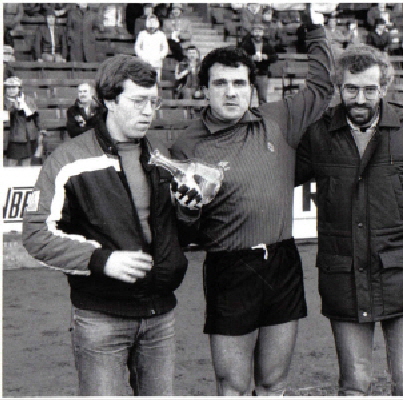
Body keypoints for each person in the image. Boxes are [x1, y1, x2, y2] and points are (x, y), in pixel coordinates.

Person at [169, 7, 333, 396]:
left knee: (274, 382)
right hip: (229, 266)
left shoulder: (277, 119)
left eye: (239, 84)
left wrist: (315, 27)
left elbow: (322, 87)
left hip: (282, 262)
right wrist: (188, 211)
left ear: (252, 89)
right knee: (233, 385)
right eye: (221, 83)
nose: (231, 92)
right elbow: (182, 229)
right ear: (204, 89)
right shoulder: (186, 145)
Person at [22, 55, 190, 396]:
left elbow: (178, 235)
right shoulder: (68, 161)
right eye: (138, 101)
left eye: (154, 102)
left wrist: (190, 212)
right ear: (110, 101)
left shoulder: (160, 157)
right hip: (101, 317)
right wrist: (102, 260)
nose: (149, 111)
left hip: (160, 314)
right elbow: (36, 234)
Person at [295, 44, 403, 396]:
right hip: (344, 277)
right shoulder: (319, 134)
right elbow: (275, 177)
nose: (360, 98)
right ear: (339, 87)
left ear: (384, 88)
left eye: (370, 89)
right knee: (354, 386)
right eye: (351, 88)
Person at [3, 77, 43, 167]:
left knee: (26, 165)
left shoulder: (28, 99)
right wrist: (13, 106)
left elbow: (33, 114)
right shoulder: (4, 101)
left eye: (14, 87)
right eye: (8, 87)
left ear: (19, 88)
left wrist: (22, 104)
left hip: (28, 137)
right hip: (14, 138)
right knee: (11, 165)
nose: (11, 90)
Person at [239, 23, 278, 104]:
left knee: (262, 98)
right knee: (247, 98)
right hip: (249, 74)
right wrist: (250, 58)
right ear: (252, 32)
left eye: (260, 31)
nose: (257, 33)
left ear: (263, 32)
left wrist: (267, 57)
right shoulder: (246, 44)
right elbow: (240, 56)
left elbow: (274, 57)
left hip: (262, 74)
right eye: (255, 31)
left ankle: (262, 114)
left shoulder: (268, 44)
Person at [135, 15, 169, 82]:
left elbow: (165, 48)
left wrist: (159, 56)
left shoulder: (161, 35)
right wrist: (142, 56)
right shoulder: (142, 34)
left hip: (156, 60)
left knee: (155, 80)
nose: (152, 28)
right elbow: (137, 47)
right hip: (144, 60)